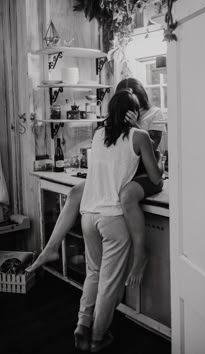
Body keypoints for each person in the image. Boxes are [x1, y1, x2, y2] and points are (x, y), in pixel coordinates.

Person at [26, 78, 165, 288]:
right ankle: (51, 248)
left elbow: (150, 151)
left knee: (123, 196)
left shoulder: (154, 114)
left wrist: (136, 126)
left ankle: (138, 256)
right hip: (119, 172)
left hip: (141, 173)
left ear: (139, 97)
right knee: (74, 193)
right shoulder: (114, 121)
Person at [73, 89, 163, 352]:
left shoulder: (98, 134)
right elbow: (156, 177)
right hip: (112, 219)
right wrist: (139, 130)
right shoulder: (140, 135)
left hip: (88, 215)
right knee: (109, 284)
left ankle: (82, 326)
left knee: (94, 274)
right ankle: (99, 338)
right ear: (134, 112)